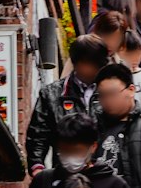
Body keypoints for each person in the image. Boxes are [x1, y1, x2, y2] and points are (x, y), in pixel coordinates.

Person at [26, 37, 110, 175]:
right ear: (77, 63)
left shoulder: (108, 92)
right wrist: (37, 167)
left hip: (103, 172)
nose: (95, 70)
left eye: (99, 65)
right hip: (65, 172)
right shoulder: (52, 94)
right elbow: (38, 135)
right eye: (91, 64)